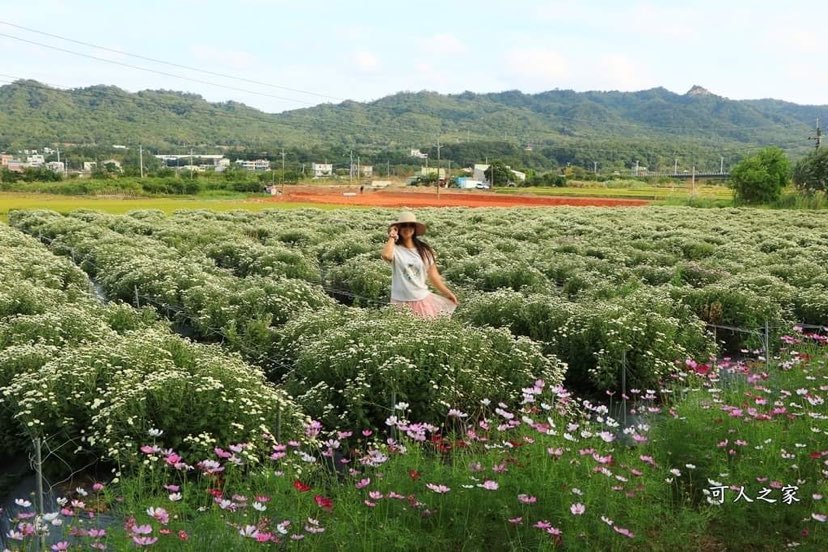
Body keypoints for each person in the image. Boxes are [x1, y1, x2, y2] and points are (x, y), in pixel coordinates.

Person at [381, 210, 458, 319]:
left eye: (410, 225)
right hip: (399, 301)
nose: (407, 228)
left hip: (420, 299)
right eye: (403, 226)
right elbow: (386, 255)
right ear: (398, 229)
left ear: (415, 229)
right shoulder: (395, 249)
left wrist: (447, 293)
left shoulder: (424, 250)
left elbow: (433, 275)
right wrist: (392, 236)